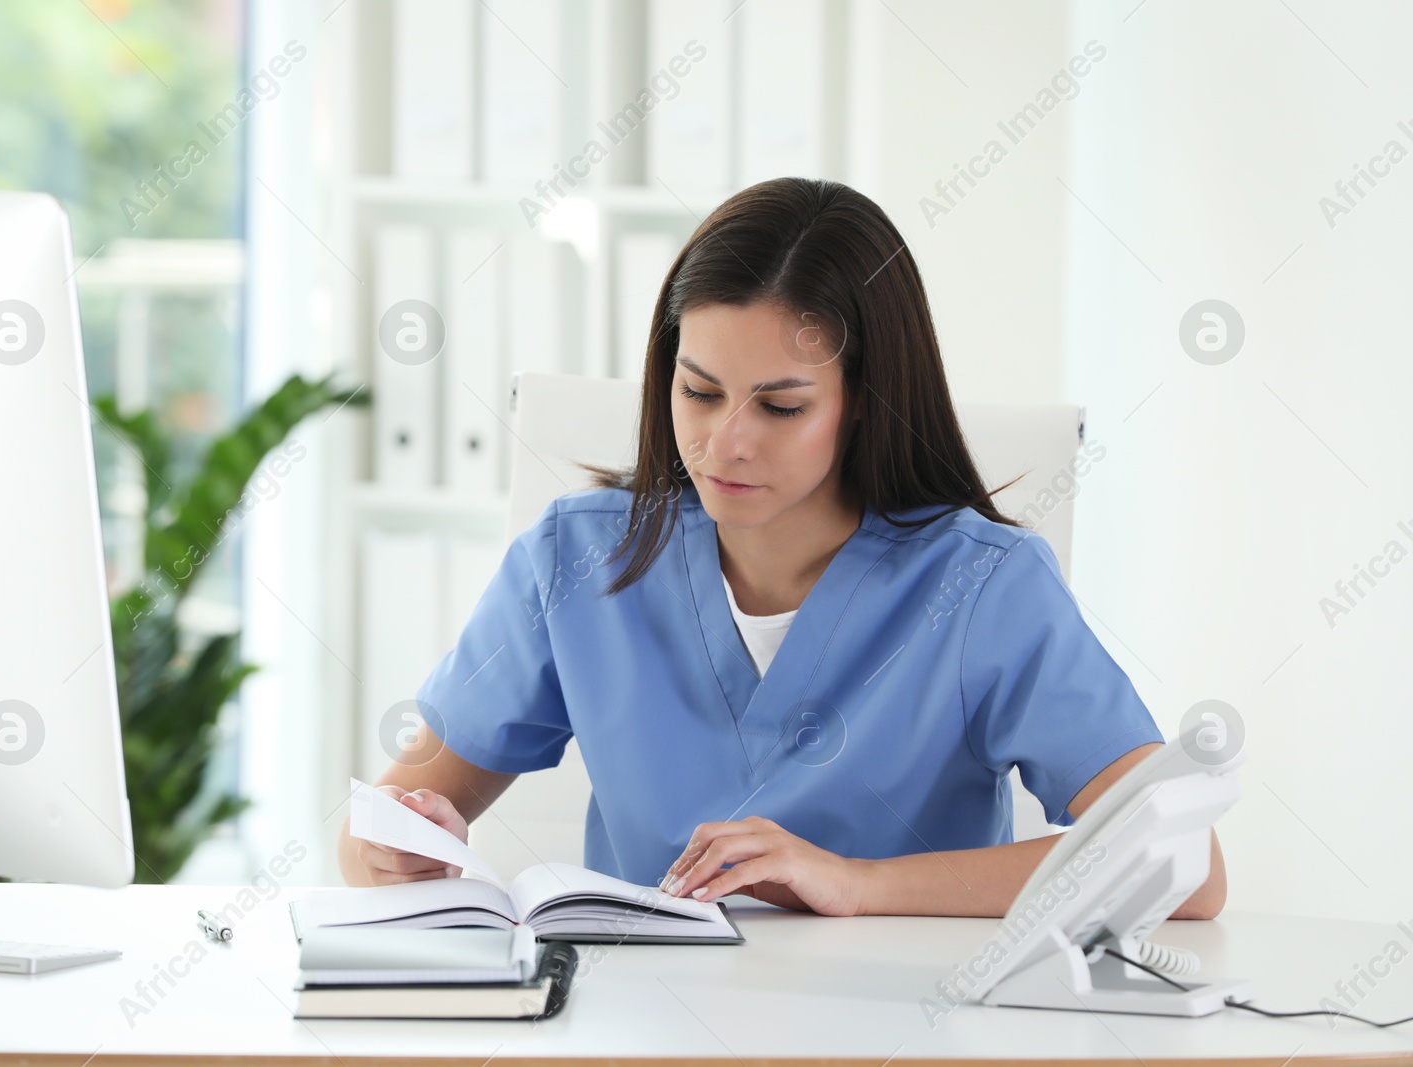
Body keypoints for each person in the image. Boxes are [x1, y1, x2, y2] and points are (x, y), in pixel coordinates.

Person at [337, 176, 1225, 919]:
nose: (726, 442)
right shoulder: (575, 560)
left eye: (781, 405)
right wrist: (396, 848)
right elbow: (374, 827)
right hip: (648, 1040)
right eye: (699, 391)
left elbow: (1184, 861)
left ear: (868, 399)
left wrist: (853, 884)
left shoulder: (984, 588)